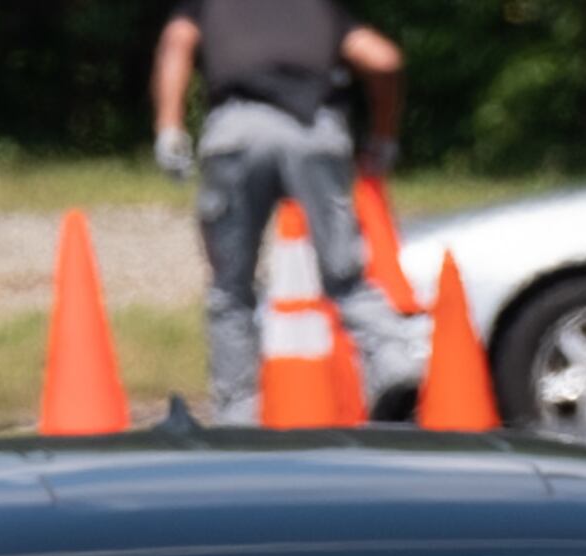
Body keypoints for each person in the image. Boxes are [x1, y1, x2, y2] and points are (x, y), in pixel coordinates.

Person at [152, 0, 421, 422]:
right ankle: (396, 362)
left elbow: (177, 41)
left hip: (236, 133)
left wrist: (169, 127)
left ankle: (238, 417)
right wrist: (383, 139)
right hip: (315, 129)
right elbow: (383, 60)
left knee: (230, 290)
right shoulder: (319, 8)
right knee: (346, 279)